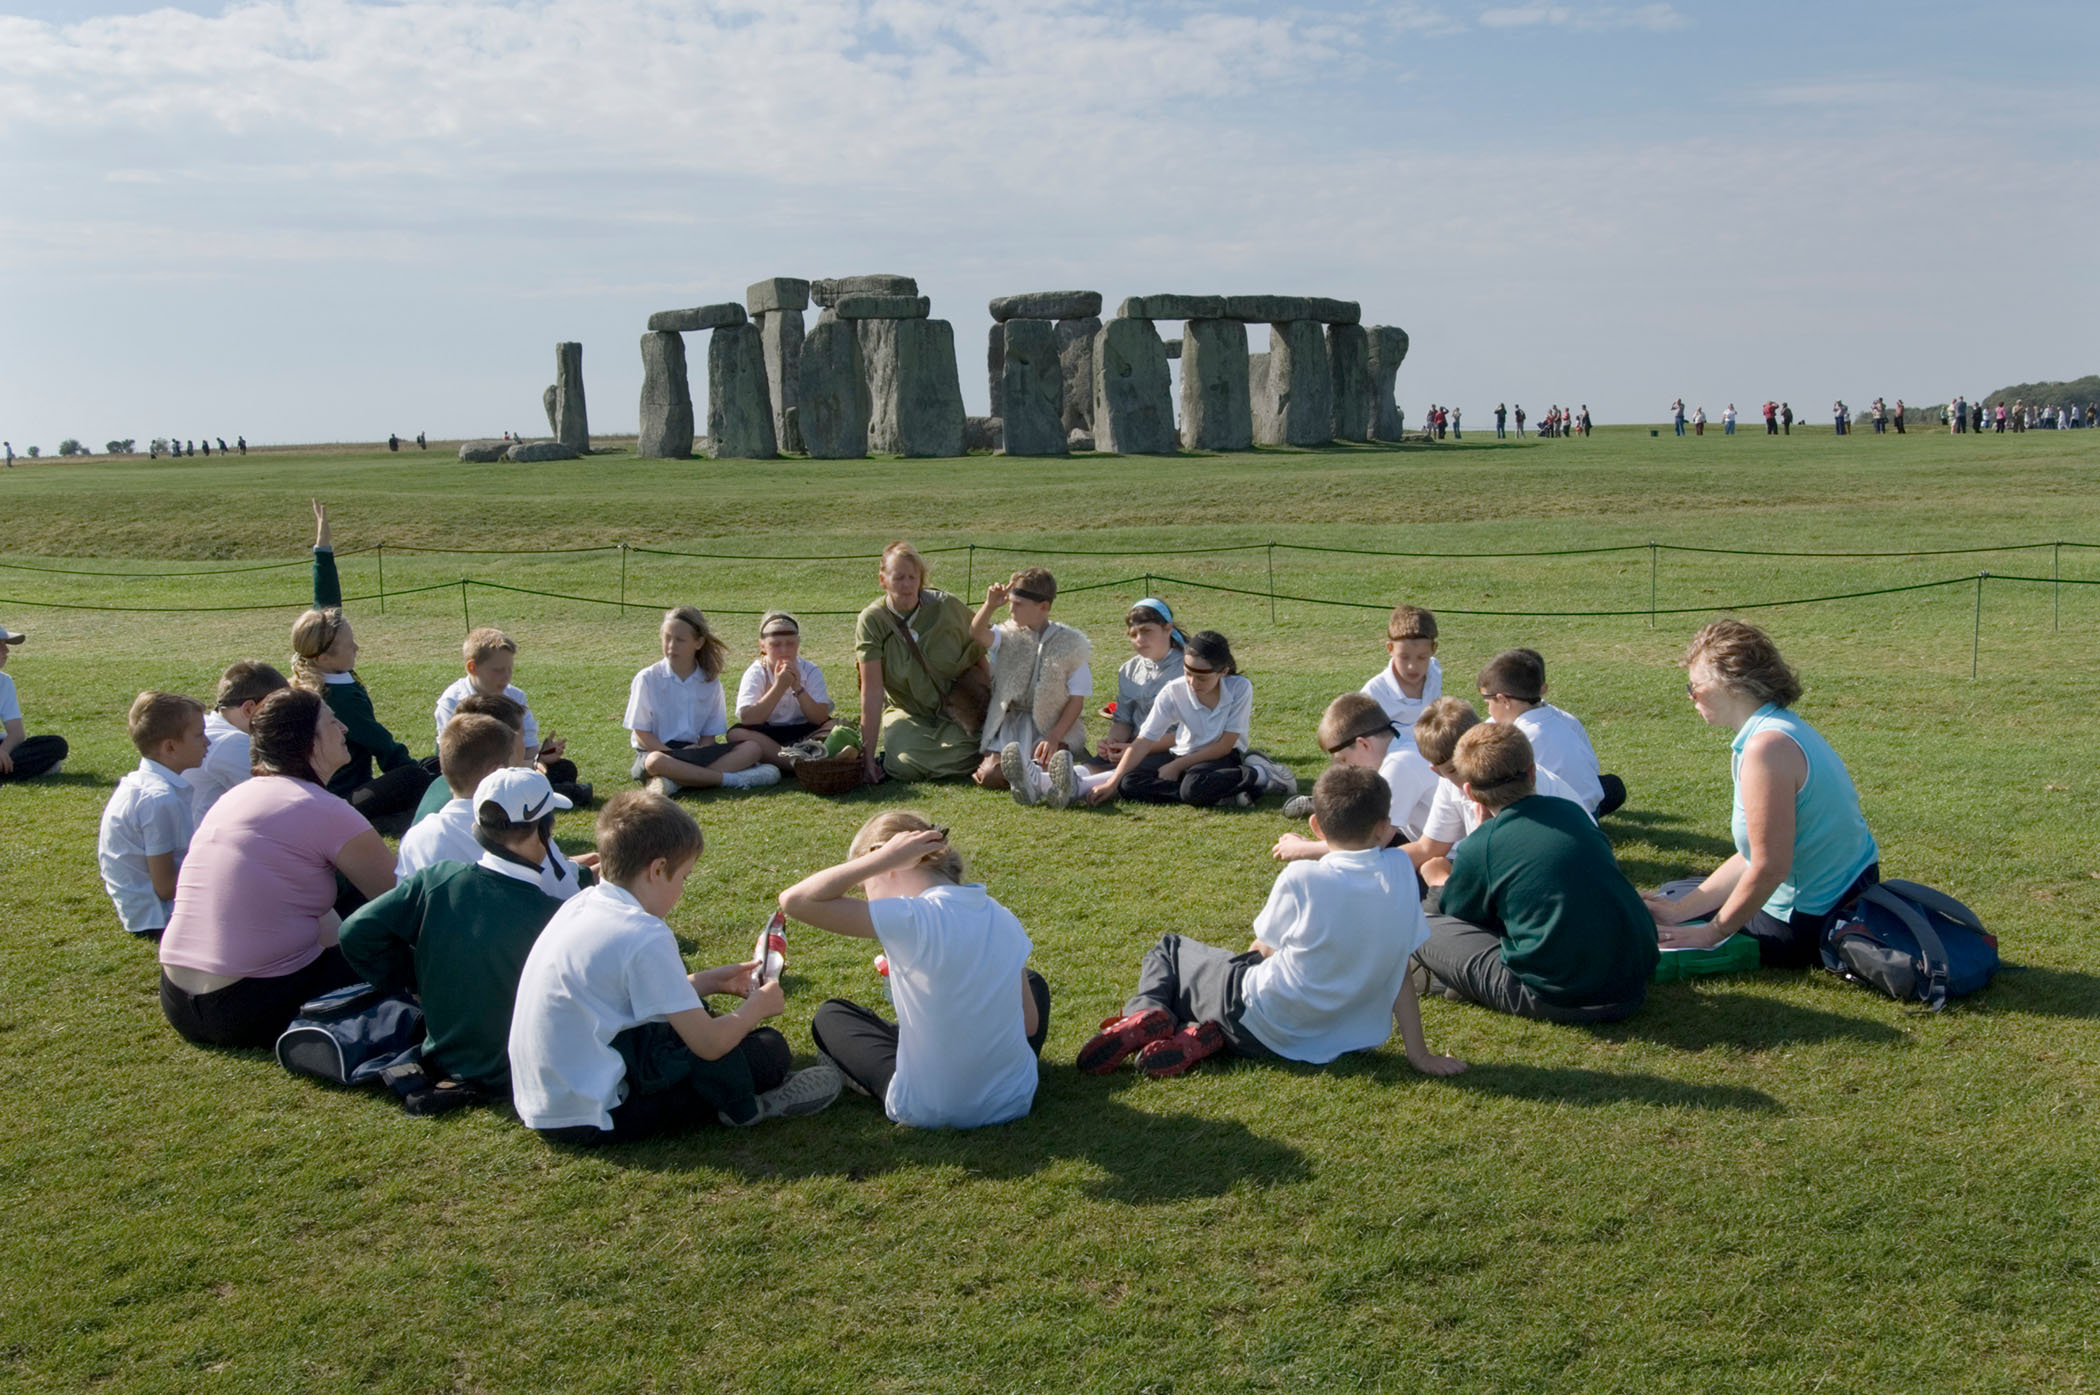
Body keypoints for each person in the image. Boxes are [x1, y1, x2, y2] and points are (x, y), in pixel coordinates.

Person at [1079, 765, 1467, 1080]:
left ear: (1316, 826)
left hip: (1266, 1020)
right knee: (1223, 983)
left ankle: (1148, 1014)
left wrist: (1234, 973)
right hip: (1344, 1038)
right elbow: (1399, 968)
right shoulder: (1402, 870)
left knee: (1171, 951)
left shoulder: (1303, 877)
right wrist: (1420, 1055)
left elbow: (1263, 949)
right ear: (1386, 828)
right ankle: (1199, 1034)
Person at [507, 790, 841, 1143]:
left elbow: (621, 997)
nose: (683, 888)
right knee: (766, 1052)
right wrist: (756, 1009)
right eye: (684, 877)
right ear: (657, 869)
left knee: (696, 1021)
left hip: (546, 1102)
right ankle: (751, 1105)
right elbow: (709, 1045)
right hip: (597, 1113)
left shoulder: (584, 904)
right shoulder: (643, 932)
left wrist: (707, 981)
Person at [157, 689, 396, 1048]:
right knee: (392, 950)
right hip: (249, 1005)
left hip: (178, 1001)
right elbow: (401, 898)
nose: (344, 728)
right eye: (332, 722)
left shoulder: (235, 797)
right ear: (306, 742)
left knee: (327, 907)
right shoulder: (324, 808)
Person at [783, 811, 1050, 1128]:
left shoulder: (911, 918)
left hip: (931, 1108)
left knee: (831, 1014)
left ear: (891, 868)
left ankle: (880, 1081)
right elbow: (1029, 1025)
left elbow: (794, 901)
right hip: (1015, 1099)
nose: (866, 892)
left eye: (866, 882)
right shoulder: (1002, 915)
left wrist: (879, 859)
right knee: (1032, 981)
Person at [1644, 619, 1879, 968]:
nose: (1690, 696)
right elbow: (1755, 853)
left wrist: (1711, 933)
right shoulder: (1779, 728)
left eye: (1694, 686)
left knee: (1653, 915)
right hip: (1845, 894)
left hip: (1806, 922)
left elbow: (1769, 867)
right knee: (1675, 896)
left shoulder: (1766, 749)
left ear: (1731, 685)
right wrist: (1681, 911)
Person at [340, 768, 578, 1095]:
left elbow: (355, 931)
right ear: (542, 830)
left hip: (442, 1053)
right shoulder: (554, 918)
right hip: (513, 1068)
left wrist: (412, 979)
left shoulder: (437, 879)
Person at [1417, 724, 1657, 1023]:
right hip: (1632, 984)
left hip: (1559, 996)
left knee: (1422, 925)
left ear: (1469, 791)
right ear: (1532, 772)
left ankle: (1448, 978)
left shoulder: (1484, 843)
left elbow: (1459, 914)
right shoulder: (1571, 813)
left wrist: (1439, 879)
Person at [296, 502, 435, 826]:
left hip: (340, 798)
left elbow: (326, 604)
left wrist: (323, 548)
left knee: (431, 766)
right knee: (417, 775)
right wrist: (421, 777)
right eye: (349, 645)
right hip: (341, 802)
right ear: (325, 657)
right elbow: (385, 749)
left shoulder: (321, 665)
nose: (357, 646)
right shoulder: (338, 698)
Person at [397, 714, 593, 900]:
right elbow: (566, 895)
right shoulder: (518, 831)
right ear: (496, 774)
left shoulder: (416, 838)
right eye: (515, 765)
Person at [1401, 696, 1589, 887]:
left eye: (1472, 760)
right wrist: (1376, 864)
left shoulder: (1511, 780)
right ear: (1437, 772)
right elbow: (1429, 847)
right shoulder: (1452, 786)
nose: (1469, 775)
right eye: (1454, 770)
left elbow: (1510, 868)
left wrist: (1440, 880)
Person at [1086, 630, 1277, 808]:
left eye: (1202, 678)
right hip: (1183, 755)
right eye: (1187, 673)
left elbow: (1224, 745)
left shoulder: (1240, 688)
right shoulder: (1173, 691)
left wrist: (1177, 766)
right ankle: (1223, 794)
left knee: (1193, 786)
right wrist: (1112, 784)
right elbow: (1143, 741)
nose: (1192, 683)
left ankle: (1260, 773)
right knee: (1128, 783)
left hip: (1222, 756)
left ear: (1223, 672)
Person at [854, 542, 989, 784]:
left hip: (955, 711)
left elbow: (979, 654)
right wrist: (866, 759)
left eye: (911, 577)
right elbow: (872, 692)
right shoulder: (872, 621)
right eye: (898, 578)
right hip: (907, 713)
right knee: (902, 763)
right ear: (883, 580)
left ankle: (971, 756)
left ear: (921, 579)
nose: (906, 585)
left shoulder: (947, 607)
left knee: (973, 747)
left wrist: (991, 712)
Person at [626, 605, 779, 796]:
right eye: (667, 638)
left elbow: (709, 737)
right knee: (655, 762)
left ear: (698, 643)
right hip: (658, 751)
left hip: (694, 751)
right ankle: (731, 779)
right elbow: (641, 733)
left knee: (753, 749)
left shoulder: (710, 682)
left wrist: (699, 752)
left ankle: (678, 781)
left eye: (680, 640)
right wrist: (672, 755)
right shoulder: (647, 678)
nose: (671, 646)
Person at [1273, 692, 1440, 862]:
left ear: (1363, 744)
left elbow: (1371, 845)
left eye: (1343, 760)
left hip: (1448, 859)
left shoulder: (1399, 764)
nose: (1340, 769)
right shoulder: (1401, 744)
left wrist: (1303, 850)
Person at [98, 691, 208, 938]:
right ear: (170, 746)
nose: (207, 742)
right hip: (158, 917)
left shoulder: (147, 784)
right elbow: (166, 887)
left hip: (153, 910)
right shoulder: (158, 799)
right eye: (199, 735)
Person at [972, 567, 1092, 794]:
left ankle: (1039, 778)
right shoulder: (1005, 634)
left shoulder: (1070, 644)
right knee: (990, 775)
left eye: (1018, 604)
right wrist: (989, 605)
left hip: (1050, 726)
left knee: (1051, 766)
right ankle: (1031, 777)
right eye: (1010, 602)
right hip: (1012, 725)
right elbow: (978, 632)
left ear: (1043, 607)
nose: (1010, 608)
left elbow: (1077, 699)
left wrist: (1054, 737)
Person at [434, 627, 587, 806]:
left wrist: (540, 758)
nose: (506, 677)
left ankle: (545, 792)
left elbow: (529, 747)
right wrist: (526, 766)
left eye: (510, 669)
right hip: (473, 773)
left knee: (564, 769)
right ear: (472, 667)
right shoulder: (452, 702)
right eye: (498, 670)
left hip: (517, 764)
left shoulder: (516, 696)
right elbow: (456, 758)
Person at [1475, 648, 1623, 816]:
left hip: (1561, 819)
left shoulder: (1518, 737)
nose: (1489, 712)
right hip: (1589, 810)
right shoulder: (1559, 720)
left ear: (1503, 700)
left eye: (1487, 703)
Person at [730, 610, 835, 766]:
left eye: (790, 644)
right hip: (767, 734)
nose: (784, 651)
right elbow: (748, 718)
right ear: (763, 646)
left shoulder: (810, 670)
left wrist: (797, 687)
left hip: (805, 732)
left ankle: (796, 759)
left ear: (798, 643)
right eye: (776, 645)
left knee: (836, 726)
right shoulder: (757, 672)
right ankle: (795, 763)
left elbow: (819, 717)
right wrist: (780, 686)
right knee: (735, 734)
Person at [190, 661, 289, 823]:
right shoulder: (230, 743)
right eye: (278, 711)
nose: (285, 721)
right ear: (249, 709)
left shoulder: (210, 727)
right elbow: (281, 796)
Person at [1359, 603, 1442, 749]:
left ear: (1433, 649)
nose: (1412, 666)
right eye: (1404, 657)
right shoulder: (1373, 693)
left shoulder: (1434, 672)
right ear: (1390, 648)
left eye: (1422, 657)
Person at [0, 620, 70, 782]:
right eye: (0, 645)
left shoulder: (4, 682)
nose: (7, 650)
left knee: (56, 744)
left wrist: (3, 752)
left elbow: (17, 733)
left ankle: (7, 769)